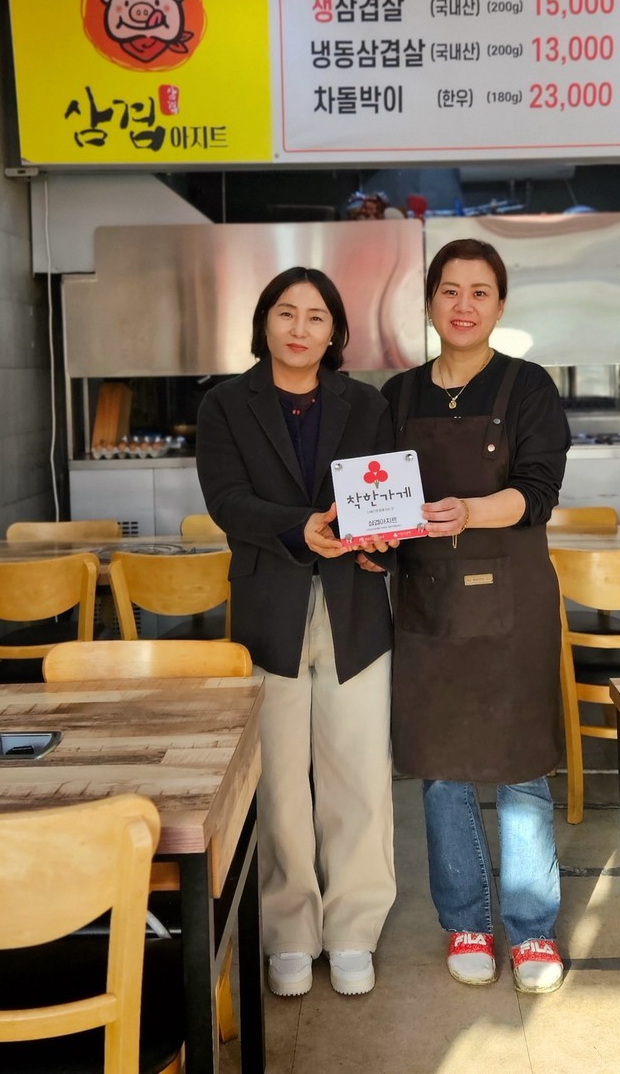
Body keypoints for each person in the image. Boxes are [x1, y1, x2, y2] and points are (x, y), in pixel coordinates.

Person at [196, 267, 397, 998]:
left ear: (335, 332)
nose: (300, 328)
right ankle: (287, 930)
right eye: (286, 313)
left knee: (358, 775)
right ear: (264, 323)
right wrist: (297, 527)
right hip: (267, 609)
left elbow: (384, 495)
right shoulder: (225, 403)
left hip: (354, 606)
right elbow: (226, 500)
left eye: (316, 317)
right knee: (277, 779)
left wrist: (381, 543)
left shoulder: (366, 403)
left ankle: (353, 929)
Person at [381, 238, 571, 995]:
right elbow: (378, 496)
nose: (464, 305)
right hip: (428, 598)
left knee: (520, 764)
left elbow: (538, 490)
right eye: (450, 291)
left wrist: (468, 510)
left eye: (480, 291)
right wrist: (370, 539)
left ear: (499, 304)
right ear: (430, 302)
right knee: (441, 769)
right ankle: (465, 919)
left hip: (514, 597)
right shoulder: (396, 395)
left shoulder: (528, 386)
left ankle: (531, 928)